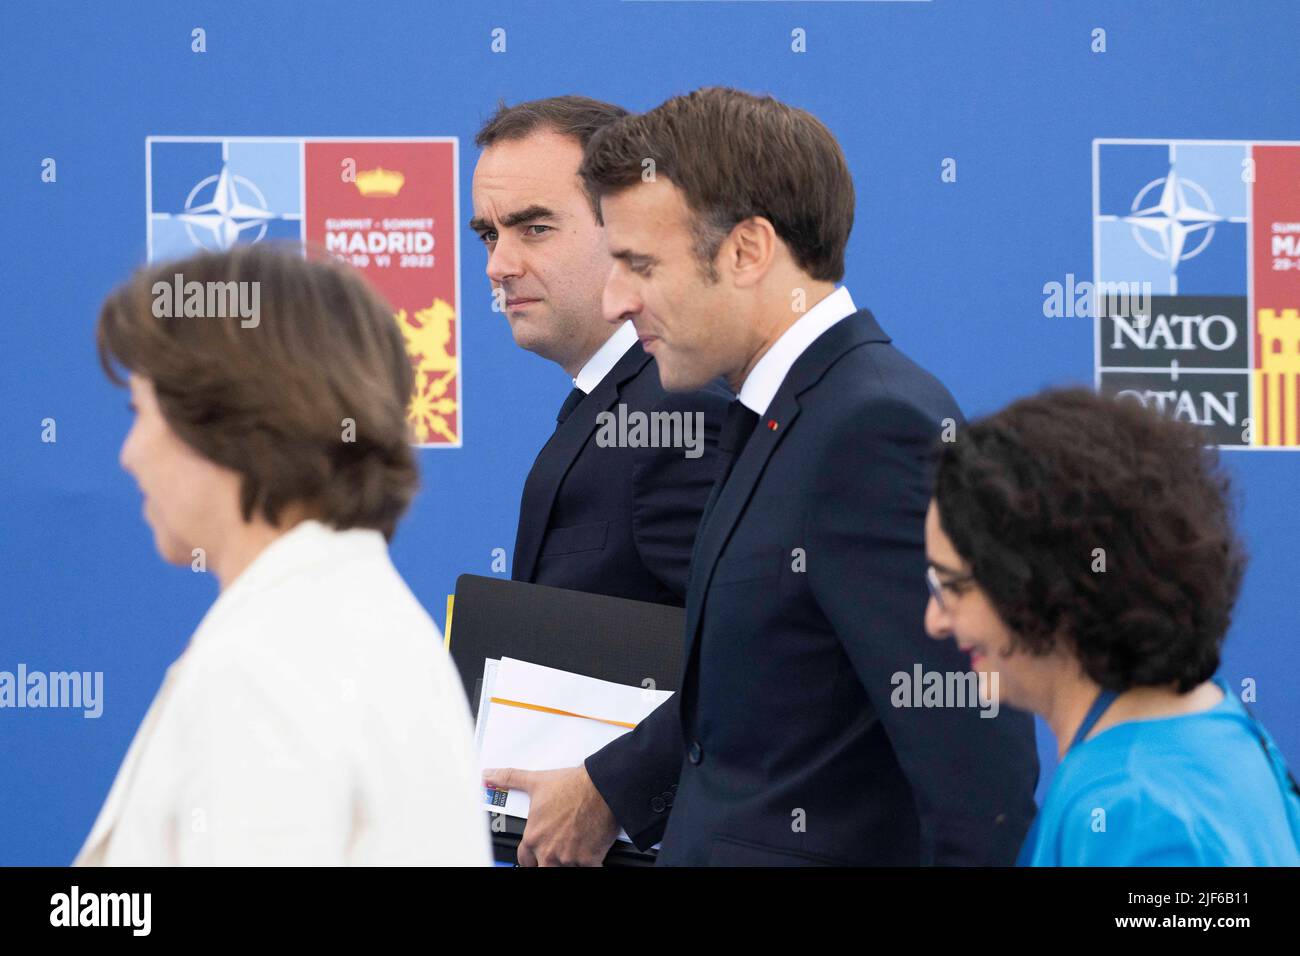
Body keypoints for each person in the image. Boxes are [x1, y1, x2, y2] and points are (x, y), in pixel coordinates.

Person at [490, 86, 1040, 866]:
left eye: (640, 264)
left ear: (747, 252)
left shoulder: (871, 428)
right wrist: (611, 788)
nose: (617, 298)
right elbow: (751, 700)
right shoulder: (770, 414)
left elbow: (978, 771)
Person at [77, 243, 490, 865]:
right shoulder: (352, 624)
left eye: (140, 413)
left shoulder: (268, 664)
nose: (127, 454)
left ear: (230, 424)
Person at [470, 97, 730, 865]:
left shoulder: (679, 412)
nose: (497, 264)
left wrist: (610, 789)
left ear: (626, 227)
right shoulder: (611, 404)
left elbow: (763, 660)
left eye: (533, 227)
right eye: (488, 234)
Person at [925, 387, 1300, 865]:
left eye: (952, 586)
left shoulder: (1135, 813)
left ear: (1042, 584)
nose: (934, 619)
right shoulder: (1217, 727)